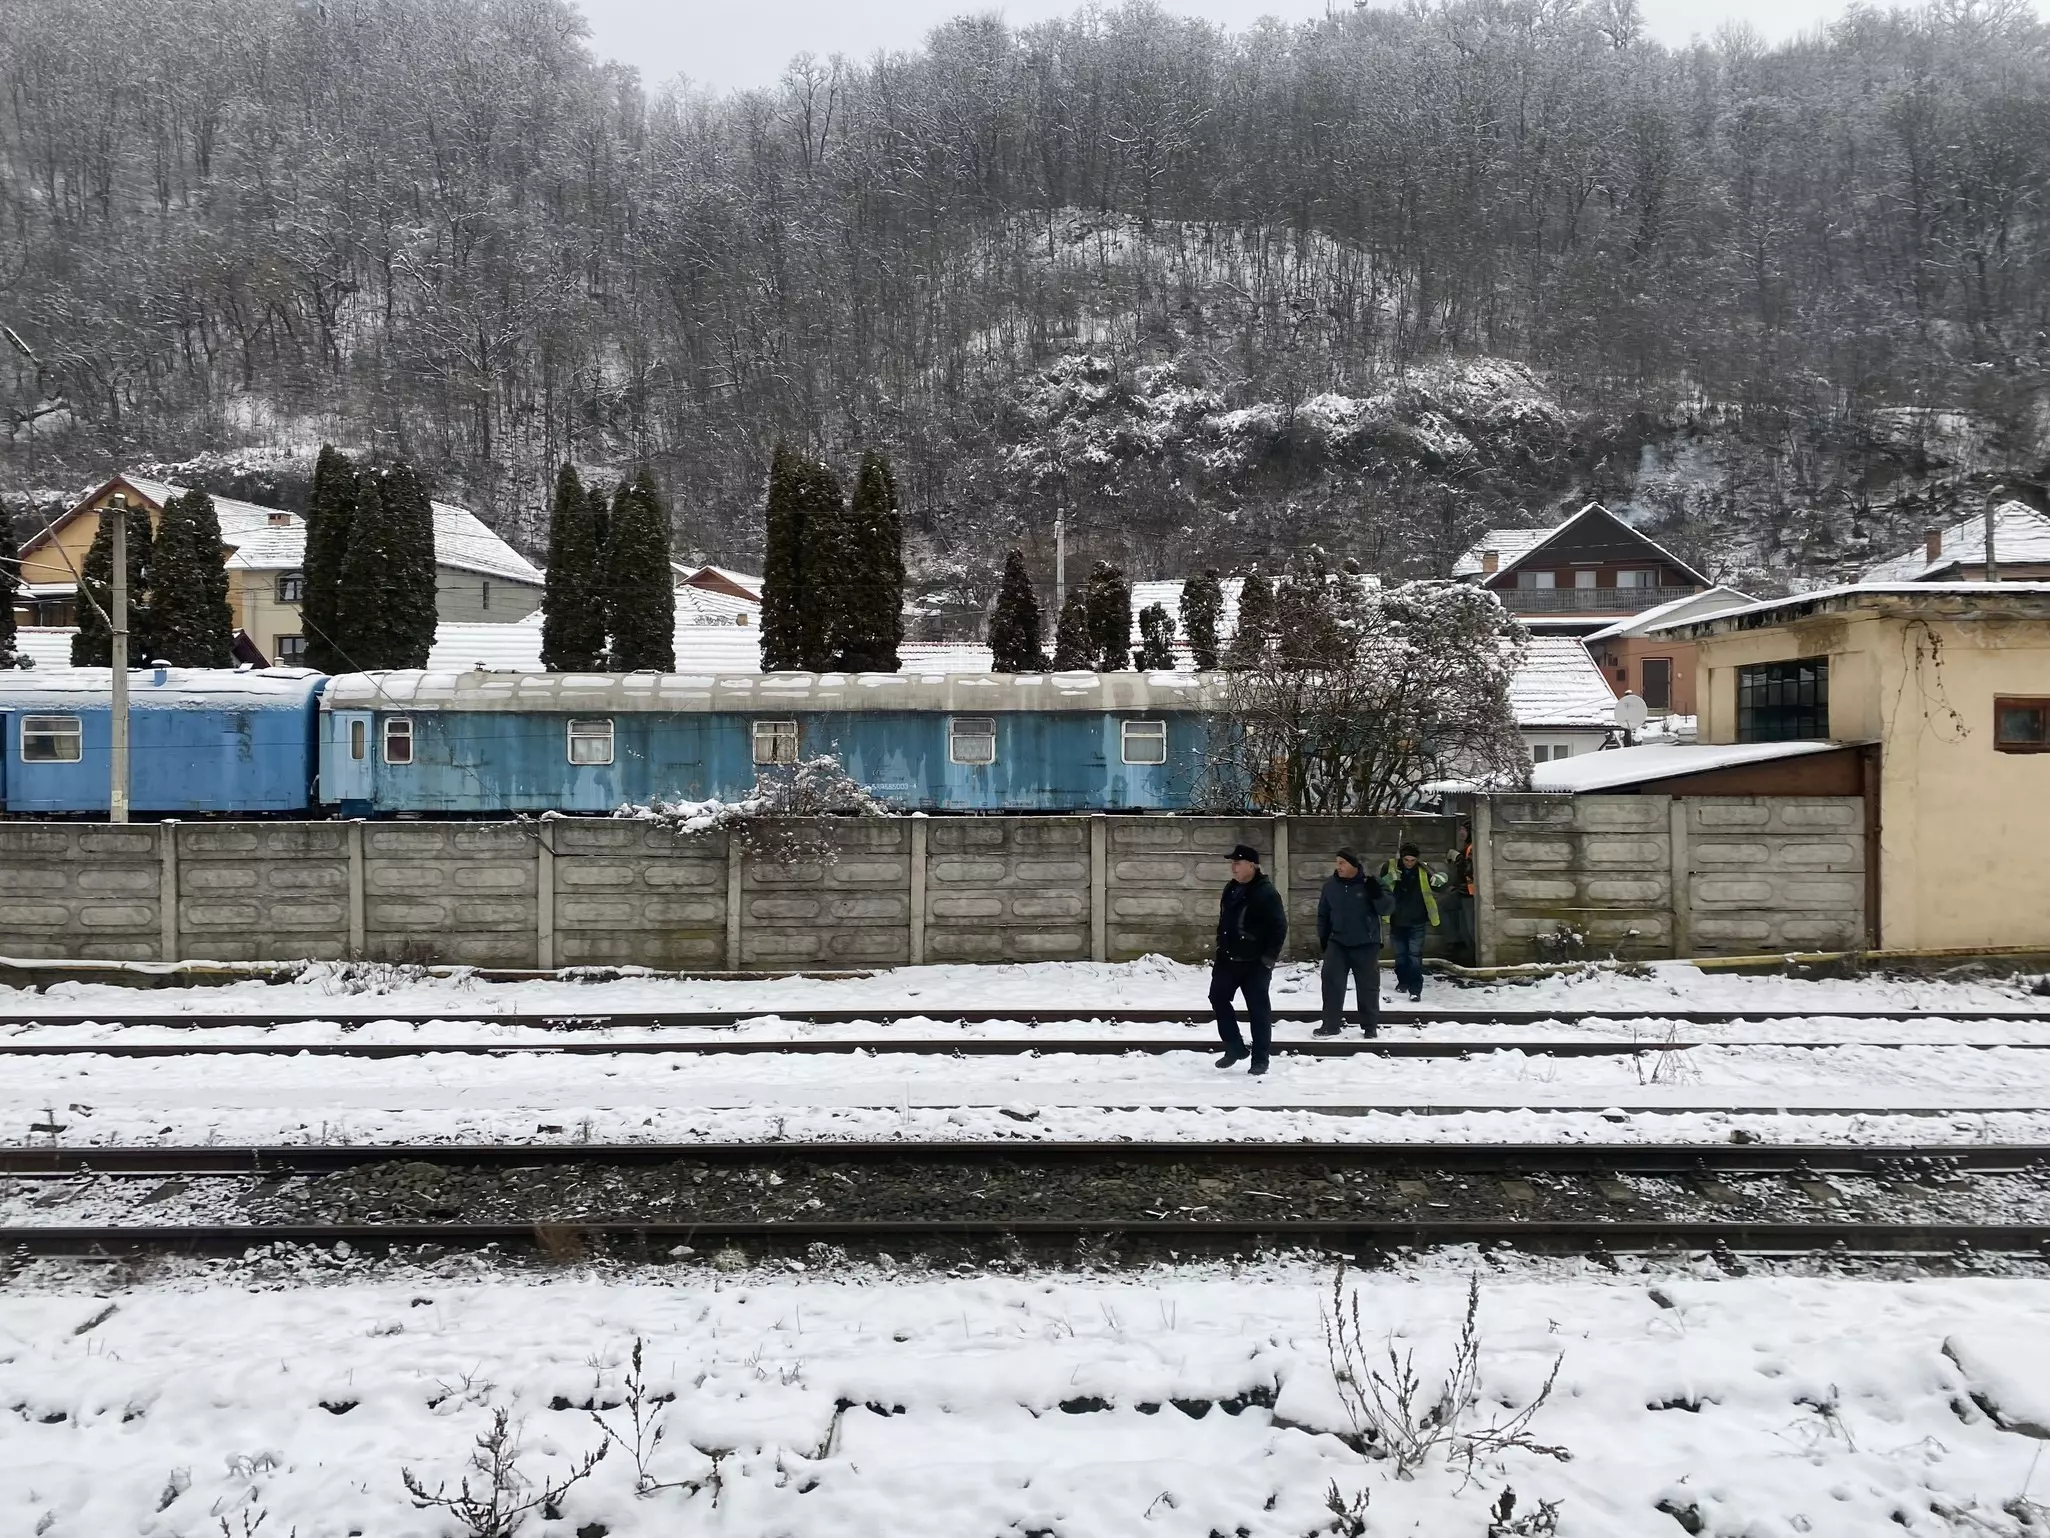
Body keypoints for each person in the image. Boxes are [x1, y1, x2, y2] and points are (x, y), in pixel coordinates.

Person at [1210, 842, 1287, 1075]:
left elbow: (1279, 927)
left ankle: (1260, 1059)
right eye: (1232, 863)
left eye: (1238, 863)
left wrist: (1267, 959)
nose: (1233, 868)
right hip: (1228, 959)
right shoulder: (1230, 888)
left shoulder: (1266, 892)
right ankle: (1234, 1046)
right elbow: (1225, 921)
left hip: (1255, 963)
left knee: (1258, 1011)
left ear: (1252, 865)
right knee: (1218, 998)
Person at [1315, 847, 1393, 1038]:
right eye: (1337, 862)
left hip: (1366, 944)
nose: (1338, 866)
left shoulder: (1371, 883)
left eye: (1342, 862)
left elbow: (1387, 909)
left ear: (1354, 865)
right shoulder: (1330, 885)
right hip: (1337, 942)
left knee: (1368, 987)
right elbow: (1323, 913)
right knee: (1331, 983)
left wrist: (1377, 894)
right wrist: (1324, 938)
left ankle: (1369, 1026)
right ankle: (1330, 1025)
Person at [1380, 841, 1440, 1003]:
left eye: (1412, 860)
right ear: (1401, 857)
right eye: (1406, 860)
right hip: (1396, 919)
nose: (1409, 863)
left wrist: (1440, 880)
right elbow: (1378, 888)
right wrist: (1389, 878)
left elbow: (1438, 886)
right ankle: (1403, 981)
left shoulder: (1423, 869)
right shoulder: (1390, 866)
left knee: (1414, 956)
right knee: (1400, 956)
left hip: (1417, 920)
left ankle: (1415, 989)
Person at [1445, 822, 1476, 964]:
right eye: (1460, 830)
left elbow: (1469, 871)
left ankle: (1472, 956)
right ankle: (1456, 945)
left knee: (1470, 927)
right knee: (1445, 906)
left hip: (1471, 894)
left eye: (1464, 830)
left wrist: (1458, 858)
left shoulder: (1473, 847)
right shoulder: (1467, 848)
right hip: (1464, 891)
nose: (1461, 833)